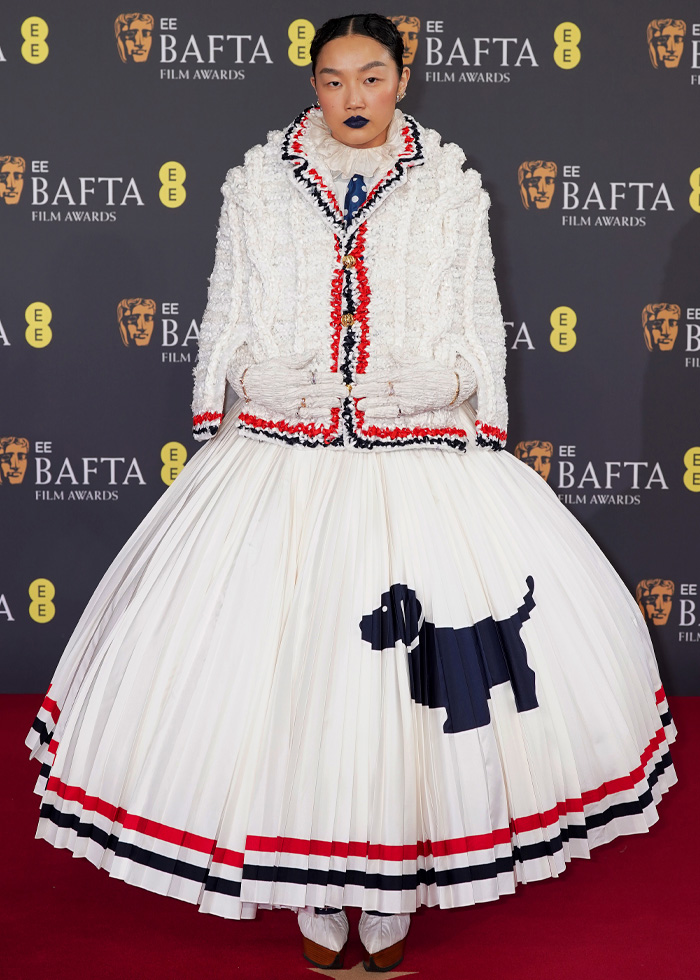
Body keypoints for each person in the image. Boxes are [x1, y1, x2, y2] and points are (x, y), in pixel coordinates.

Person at [26, 13, 677, 974]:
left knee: (403, 699)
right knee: (286, 684)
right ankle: (318, 887)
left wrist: (442, 380)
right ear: (313, 84)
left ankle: (391, 886)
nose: (354, 97)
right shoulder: (256, 183)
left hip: (415, 456)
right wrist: (253, 379)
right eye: (334, 80)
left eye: (372, 76)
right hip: (282, 463)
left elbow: (478, 322)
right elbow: (226, 311)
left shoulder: (452, 187)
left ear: (403, 77)